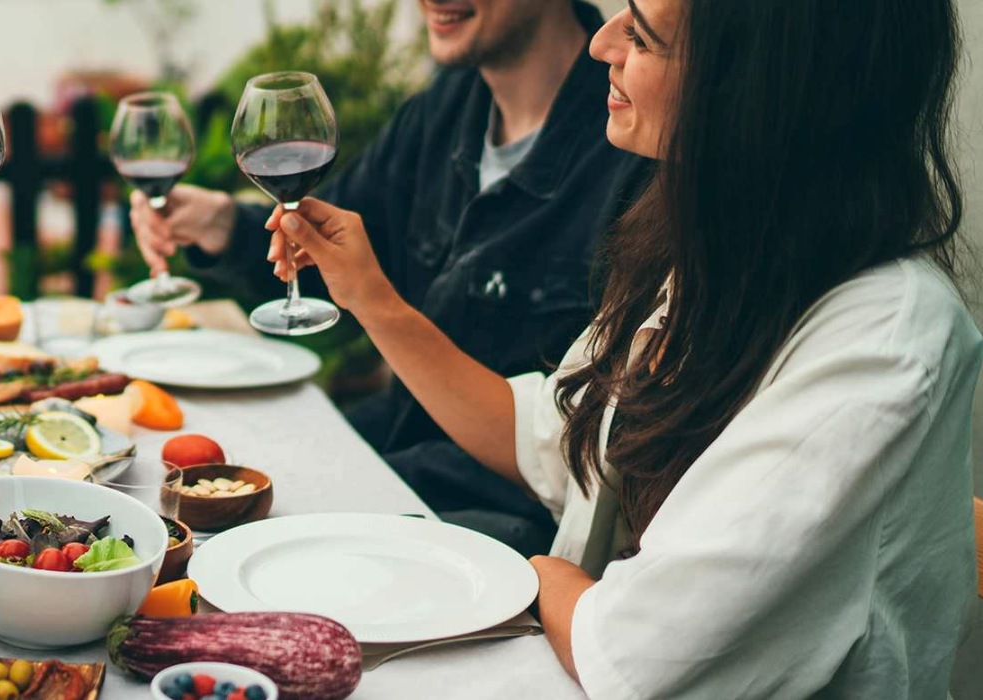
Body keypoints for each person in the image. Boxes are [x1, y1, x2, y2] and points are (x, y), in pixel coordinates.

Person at [271, 0, 976, 695]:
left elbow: (638, 653)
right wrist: (368, 296)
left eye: (641, 35)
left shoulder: (882, 344)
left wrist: (543, 574)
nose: (601, 44)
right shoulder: (724, 258)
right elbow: (548, 437)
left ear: (754, 90)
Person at [131, 0, 652, 556]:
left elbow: (593, 454)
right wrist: (218, 222)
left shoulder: (639, 151)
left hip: (501, 535)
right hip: (393, 462)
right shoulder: (441, 111)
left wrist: (374, 302)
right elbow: (333, 251)